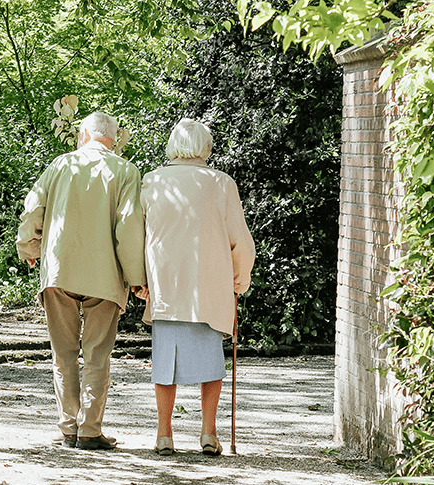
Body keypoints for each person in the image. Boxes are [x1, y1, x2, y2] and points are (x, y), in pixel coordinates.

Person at [16, 112, 147, 450]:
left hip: (60, 270)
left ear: (83, 134)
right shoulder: (126, 171)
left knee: (63, 353)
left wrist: (28, 246)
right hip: (105, 276)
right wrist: (136, 278)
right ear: (113, 139)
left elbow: (33, 209)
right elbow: (129, 227)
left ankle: (68, 427)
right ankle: (90, 430)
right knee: (97, 355)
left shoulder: (60, 165)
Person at [139, 118, 256, 456]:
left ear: (174, 146)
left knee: (164, 362)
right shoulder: (221, 183)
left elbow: (139, 236)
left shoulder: (153, 181)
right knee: (211, 362)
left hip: (167, 285)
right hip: (209, 286)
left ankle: (164, 434)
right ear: (206, 147)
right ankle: (208, 433)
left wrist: (140, 280)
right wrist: (240, 278)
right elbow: (240, 241)